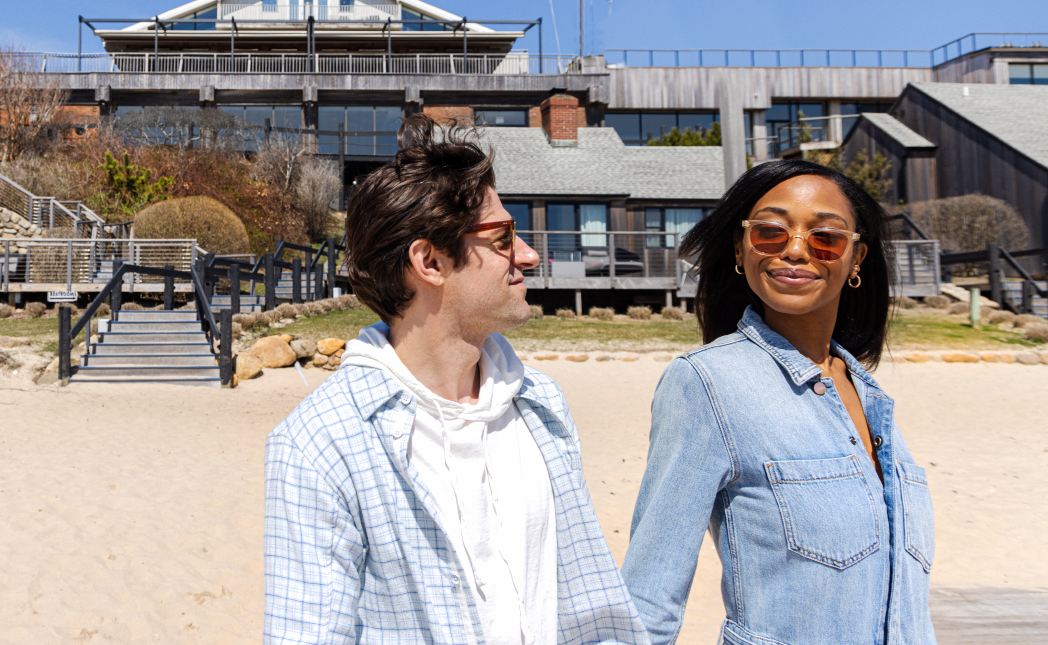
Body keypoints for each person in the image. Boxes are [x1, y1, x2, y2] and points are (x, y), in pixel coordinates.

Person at [263, 114, 647, 645]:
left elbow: (587, 606)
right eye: (504, 237)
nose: (530, 255)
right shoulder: (320, 443)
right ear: (430, 261)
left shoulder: (542, 405)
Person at [621, 160, 935, 644]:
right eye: (770, 232)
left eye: (825, 238)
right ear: (739, 248)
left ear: (856, 259)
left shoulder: (871, 397)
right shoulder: (706, 383)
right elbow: (650, 590)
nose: (794, 250)